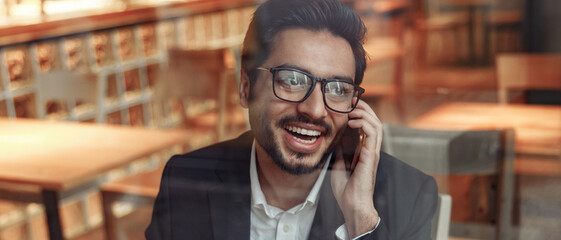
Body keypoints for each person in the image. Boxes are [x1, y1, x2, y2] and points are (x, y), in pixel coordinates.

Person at [145, 0, 438, 239]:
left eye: (337, 89)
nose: (315, 110)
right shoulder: (185, 181)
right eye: (292, 80)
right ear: (246, 88)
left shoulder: (408, 196)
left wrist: (360, 219)